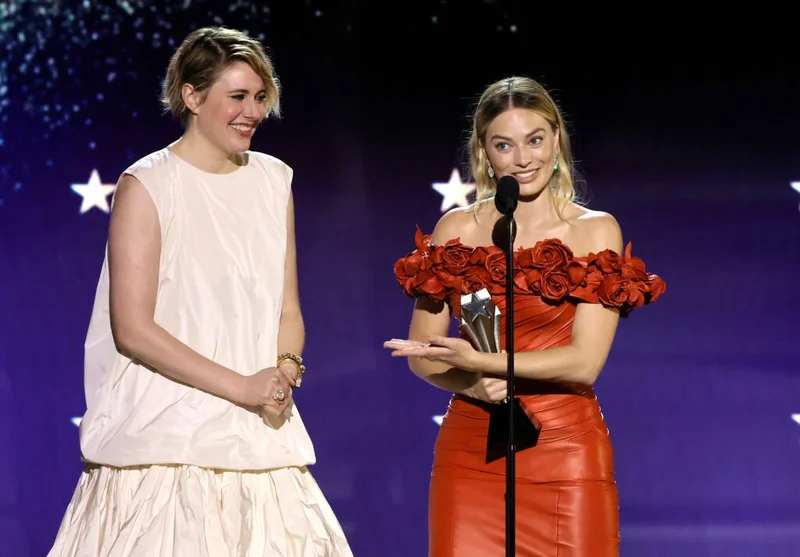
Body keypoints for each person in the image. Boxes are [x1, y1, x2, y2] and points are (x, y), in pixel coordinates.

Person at [48, 26, 353, 557]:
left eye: (259, 97)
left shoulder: (273, 181)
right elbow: (133, 329)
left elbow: (287, 309)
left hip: (259, 437)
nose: (252, 112)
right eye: (237, 96)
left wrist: (284, 372)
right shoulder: (147, 185)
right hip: (164, 442)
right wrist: (242, 387)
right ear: (191, 96)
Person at [385, 76, 666, 556]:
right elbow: (423, 354)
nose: (522, 158)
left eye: (534, 140)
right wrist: (470, 385)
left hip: (565, 454)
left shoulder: (595, 231)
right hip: (470, 455)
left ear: (556, 138)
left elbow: (584, 363)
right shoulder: (454, 229)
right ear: (484, 152)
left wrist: (480, 364)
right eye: (504, 145)